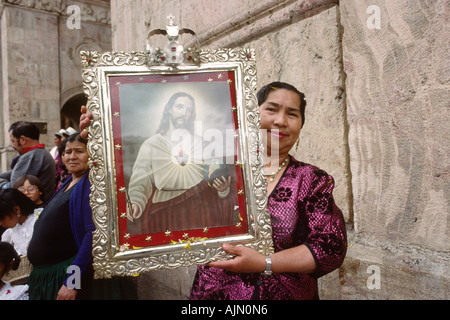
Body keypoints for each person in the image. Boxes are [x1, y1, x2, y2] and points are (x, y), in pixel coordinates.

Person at [188, 82, 347, 300]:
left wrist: (265, 263)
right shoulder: (219, 171)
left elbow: (330, 248)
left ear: (300, 125)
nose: (280, 121)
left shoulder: (311, 180)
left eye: (292, 114)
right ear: (251, 115)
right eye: (271, 109)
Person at [26, 132, 137, 300]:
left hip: (69, 276)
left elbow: (92, 234)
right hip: (48, 274)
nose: (72, 157)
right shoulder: (68, 182)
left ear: (92, 154)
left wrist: (72, 281)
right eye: (67, 152)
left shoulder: (92, 184)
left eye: (79, 151)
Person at [126, 92, 237, 234]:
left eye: (189, 109)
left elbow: (217, 173)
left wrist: (223, 190)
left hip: (201, 209)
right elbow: (141, 180)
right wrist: (136, 202)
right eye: (179, 106)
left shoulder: (201, 143)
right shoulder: (152, 144)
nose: (184, 112)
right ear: (169, 109)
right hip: (164, 212)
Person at [0, 121, 55, 202]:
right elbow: (13, 174)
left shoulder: (31, 156)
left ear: (23, 139)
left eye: (13, 141)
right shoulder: (40, 153)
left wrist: (3, 185)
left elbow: (13, 189)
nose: (13, 146)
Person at [0, 188, 37, 256]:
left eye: (1, 218)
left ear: (17, 210)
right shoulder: (11, 232)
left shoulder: (38, 220)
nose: (0, 223)